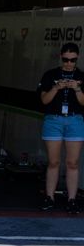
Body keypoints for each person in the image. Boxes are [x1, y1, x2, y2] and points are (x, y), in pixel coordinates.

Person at [37, 42, 84, 213]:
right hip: (54, 119)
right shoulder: (50, 75)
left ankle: (72, 199)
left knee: (72, 162)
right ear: (61, 57)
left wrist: (77, 89)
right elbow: (44, 100)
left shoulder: (81, 76)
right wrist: (57, 87)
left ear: (77, 58)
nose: (69, 63)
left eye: (72, 60)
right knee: (54, 161)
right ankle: (49, 197)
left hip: (75, 120)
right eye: (65, 59)